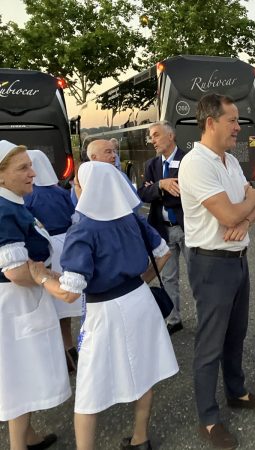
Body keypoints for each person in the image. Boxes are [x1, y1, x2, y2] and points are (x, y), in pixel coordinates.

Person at [28, 161, 179, 450]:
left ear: (86, 189)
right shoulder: (131, 219)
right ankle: (140, 438)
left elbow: (70, 293)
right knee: (144, 369)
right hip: (139, 300)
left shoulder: (83, 230)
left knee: (88, 384)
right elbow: (163, 254)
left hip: (104, 310)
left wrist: (41, 277)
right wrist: (136, 283)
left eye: (77, 183)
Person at [179, 93, 255, 449]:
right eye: (232, 120)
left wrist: (246, 218)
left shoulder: (230, 161)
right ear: (210, 123)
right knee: (210, 344)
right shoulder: (196, 164)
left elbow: (252, 200)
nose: (239, 127)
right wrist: (245, 209)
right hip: (211, 263)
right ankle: (208, 417)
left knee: (236, 335)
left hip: (237, 258)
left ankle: (237, 392)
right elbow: (234, 212)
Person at [0, 140, 71, 450]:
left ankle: (28, 436)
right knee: (18, 379)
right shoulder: (4, 210)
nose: (33, 173)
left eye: (30, 165)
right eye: (23, 168)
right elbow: (15, 271)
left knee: (22, 374)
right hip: (15, 305)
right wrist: (48, 278)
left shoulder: (13, 202)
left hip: (22, 303)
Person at [24, 150, 81, 372]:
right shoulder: (60, 192)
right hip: (68, 246)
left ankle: (60, 355)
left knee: (50, 305)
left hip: (47, 249)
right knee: (67, 302)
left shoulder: (29, 195)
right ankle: (70, 349)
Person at [138, 121, 188, 335]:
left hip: (186, 227)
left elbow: (188, 192)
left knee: (197, 276)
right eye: (151, 136)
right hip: (163, 229)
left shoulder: (187, 160)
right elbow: (142, 194)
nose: (152, 140)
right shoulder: (152, 165)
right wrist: (160, 185)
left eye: (156, 135)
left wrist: (161, 189)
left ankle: (207, 320)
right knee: (168, 277)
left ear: (171, 136)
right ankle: (173, 318)